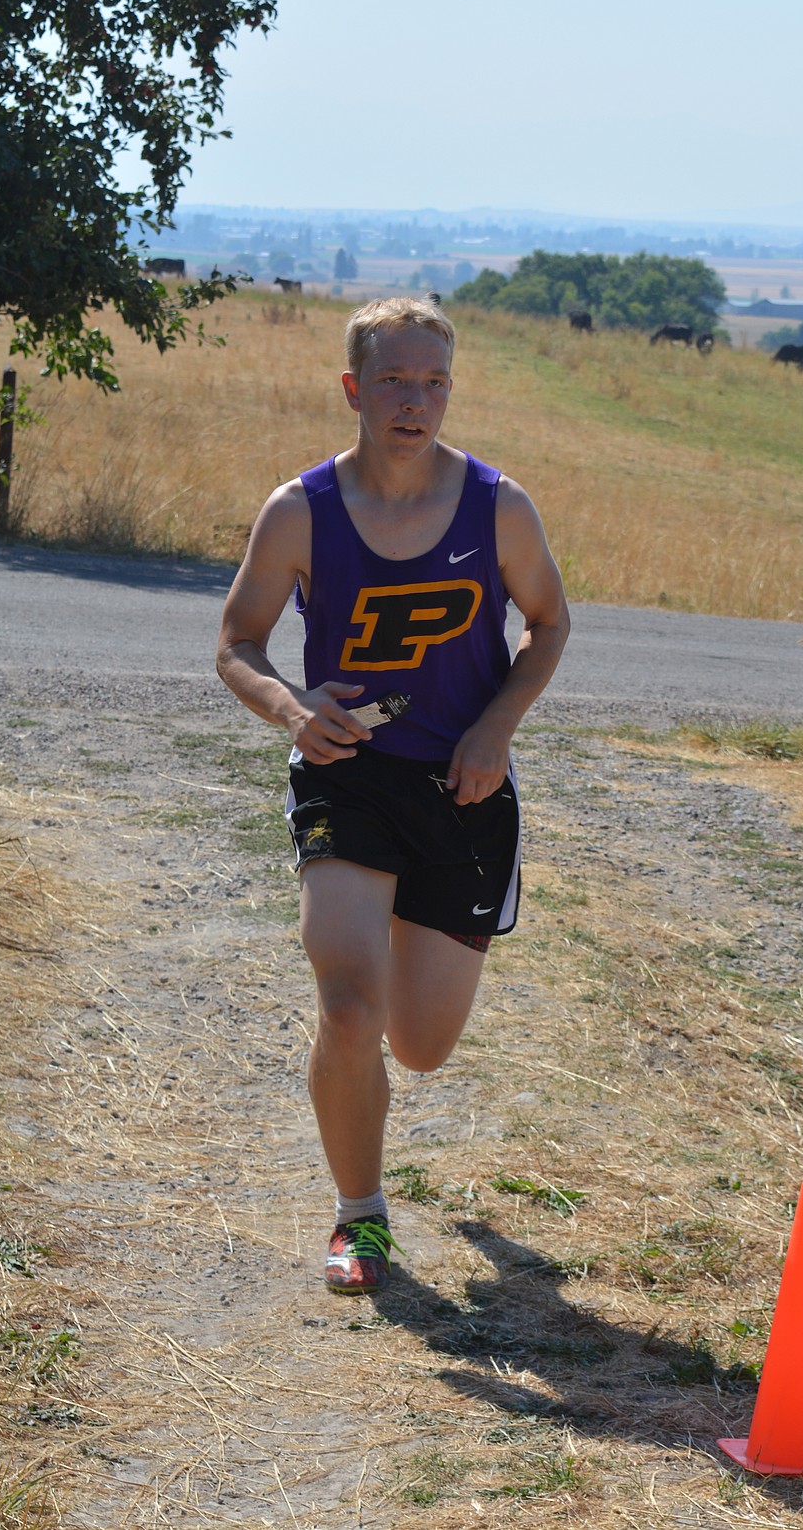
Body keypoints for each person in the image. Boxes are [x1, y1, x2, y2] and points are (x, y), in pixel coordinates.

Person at [216, 297, 569, 1292]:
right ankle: (360, 1220)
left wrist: (496, 727)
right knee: (346, 1003)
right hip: (348, 776)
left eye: (435, 382)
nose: (416, 402)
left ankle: (388, 1110)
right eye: (394, 380)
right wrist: (291, 710)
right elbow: (236, 644)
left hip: (463, 791)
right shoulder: (300, 512)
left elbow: (549, 624)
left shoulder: (498, 507)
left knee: (417, 1047)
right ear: (353, 389)